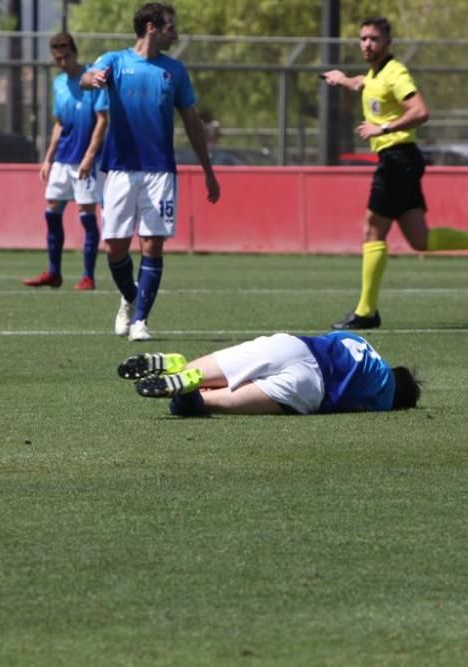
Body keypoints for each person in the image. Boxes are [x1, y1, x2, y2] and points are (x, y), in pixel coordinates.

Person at [320, 16, 468, 331]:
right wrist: (342, 79)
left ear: (387, 42)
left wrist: (383, 127)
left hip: (397, 159)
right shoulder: (375, 74)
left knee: (372, 231)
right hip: (401, 160)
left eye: (373, 39)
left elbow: (420, 111)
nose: (367, 44)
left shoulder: (395, 72)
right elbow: (364, 84)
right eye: (363, 39)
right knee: (419, 239)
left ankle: (366, 312)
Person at [82, 2, 220, 341]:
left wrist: (208, 169)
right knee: (114, 247)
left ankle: (141, 321)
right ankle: (130, 298)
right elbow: (87, 78)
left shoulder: (175, 71)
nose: (176, 33)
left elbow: (192, 121)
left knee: (152, 245)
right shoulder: (115, 61)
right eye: (171, 27)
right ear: (151, 27)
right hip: (119, 169)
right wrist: (93, 78)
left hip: (160, 171)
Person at [116, 331, 421, 417]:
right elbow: (354, 406)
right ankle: (189, 397)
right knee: (208, 405)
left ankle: (183, 370)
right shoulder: (384, 397)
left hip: (290, 345)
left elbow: (331, 337)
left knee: (200, 370)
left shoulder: (361, 343)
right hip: (311, 387)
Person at [23, 32, 108, 291]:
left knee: (86, 215)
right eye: (58, 58)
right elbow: (59, 123)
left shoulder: (93, 78)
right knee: (51, 212)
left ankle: (88, 277)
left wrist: (90, 156)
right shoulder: (59, 83)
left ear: (75, 53)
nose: (63, 62)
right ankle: (54, 272)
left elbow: (103, 120)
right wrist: (48, 159)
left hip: (85, 161)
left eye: (67, 56)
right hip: (62, 159)